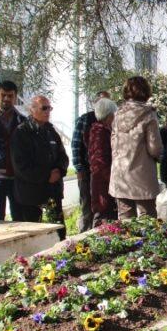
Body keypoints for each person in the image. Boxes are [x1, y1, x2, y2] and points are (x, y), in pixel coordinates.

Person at [11, 96, 68, 239]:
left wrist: (60, 171)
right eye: (44, 108)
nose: (48, 111)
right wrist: (46, 176)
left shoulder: (51, 130)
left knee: (58, 231)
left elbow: (63, 156)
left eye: (49, 108)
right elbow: (21, 165)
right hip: (30, 193)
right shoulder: (21, 132)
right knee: (34, 235)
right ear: (32, 109)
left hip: (53, 190)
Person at [109, 76, 163, 219]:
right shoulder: (149, 114)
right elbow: (154, 148)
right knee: (148, 218)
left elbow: (113, 143)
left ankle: (127, 242)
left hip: (120, 175)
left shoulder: (117, 114)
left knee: (125, 220)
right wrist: (160, 156)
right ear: (146, 91)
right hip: (142, 175)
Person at [71, 91, 110, 232]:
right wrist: (79, 168)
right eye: (101, 101)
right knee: (87, 207)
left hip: (101, 174)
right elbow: (76, 145)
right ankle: (83, 236)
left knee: (101, 206)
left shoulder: (109, 121)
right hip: (86, 171)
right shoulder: (85, 120)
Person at [0, 80, 26, 221]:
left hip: (16, 177)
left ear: (15, 97)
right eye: (3, 95)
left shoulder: (23, 121)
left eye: (10, 96)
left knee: (19, 217)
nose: (6, 99)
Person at [88, 98, 118, 226]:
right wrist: (114, 180)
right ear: (110, 115)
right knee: (103, 222)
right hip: (103, 189)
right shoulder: (99, 132)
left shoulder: (105, 130)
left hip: (106, 186)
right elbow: (99, 163)